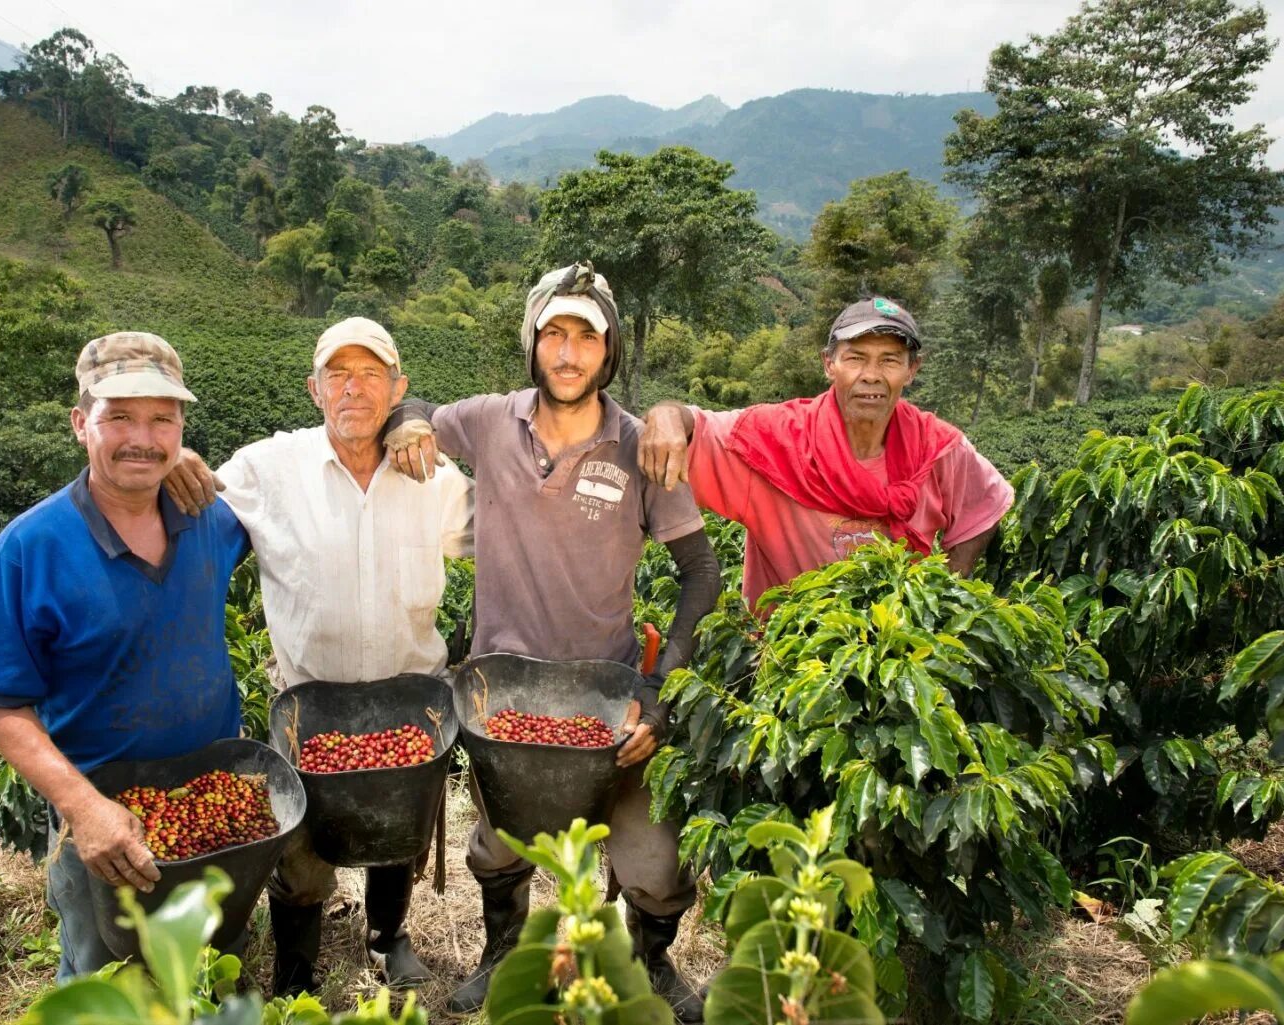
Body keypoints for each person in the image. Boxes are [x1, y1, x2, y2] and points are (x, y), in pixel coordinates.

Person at [383, 262, 721, 1022]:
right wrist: (407, 421)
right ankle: (504, 952)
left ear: (610, 351)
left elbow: (702, 572)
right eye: (554, 335)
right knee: (499, 846)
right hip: (504, 701)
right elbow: (422, 410)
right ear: (532, 342)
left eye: (586, 338)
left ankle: (649, 960)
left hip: (608, 703)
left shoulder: (639, 446)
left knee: (655, 860)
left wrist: (660, 694)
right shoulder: (489, 421)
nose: (568, 354)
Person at [161, 316, 475, 996]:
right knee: (301, 858)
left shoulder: (435, 477)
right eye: (338, 375)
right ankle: (297, 974)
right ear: (314, 389)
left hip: (407, 705)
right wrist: (173, 461)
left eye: (371, 374)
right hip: (310, 707)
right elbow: (192, 504)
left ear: (398, 389)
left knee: (398, 835)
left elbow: (500, 541)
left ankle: (388, 936)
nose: (353, 389)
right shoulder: (268, 469)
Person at [0, 332, 251, 982]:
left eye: (162, 420)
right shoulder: (27, 551)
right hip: (103, 815)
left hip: (212, 800)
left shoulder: (212, 520)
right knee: (109, 982)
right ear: (80, 424)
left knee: (212, 969)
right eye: (118, 417)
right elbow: (2, 705)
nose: (141, 439)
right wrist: (83, 807)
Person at [638, 296, 1013, 607]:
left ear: (912, 370)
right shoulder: (774, 439)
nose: (871, 375)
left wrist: (944, 594)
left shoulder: (937, 447)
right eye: (856, 358)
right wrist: (666, 416)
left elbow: (985, 503)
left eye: (889, 360)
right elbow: (696, 426)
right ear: (829, 364)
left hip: (901, 653)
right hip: (786, 656)